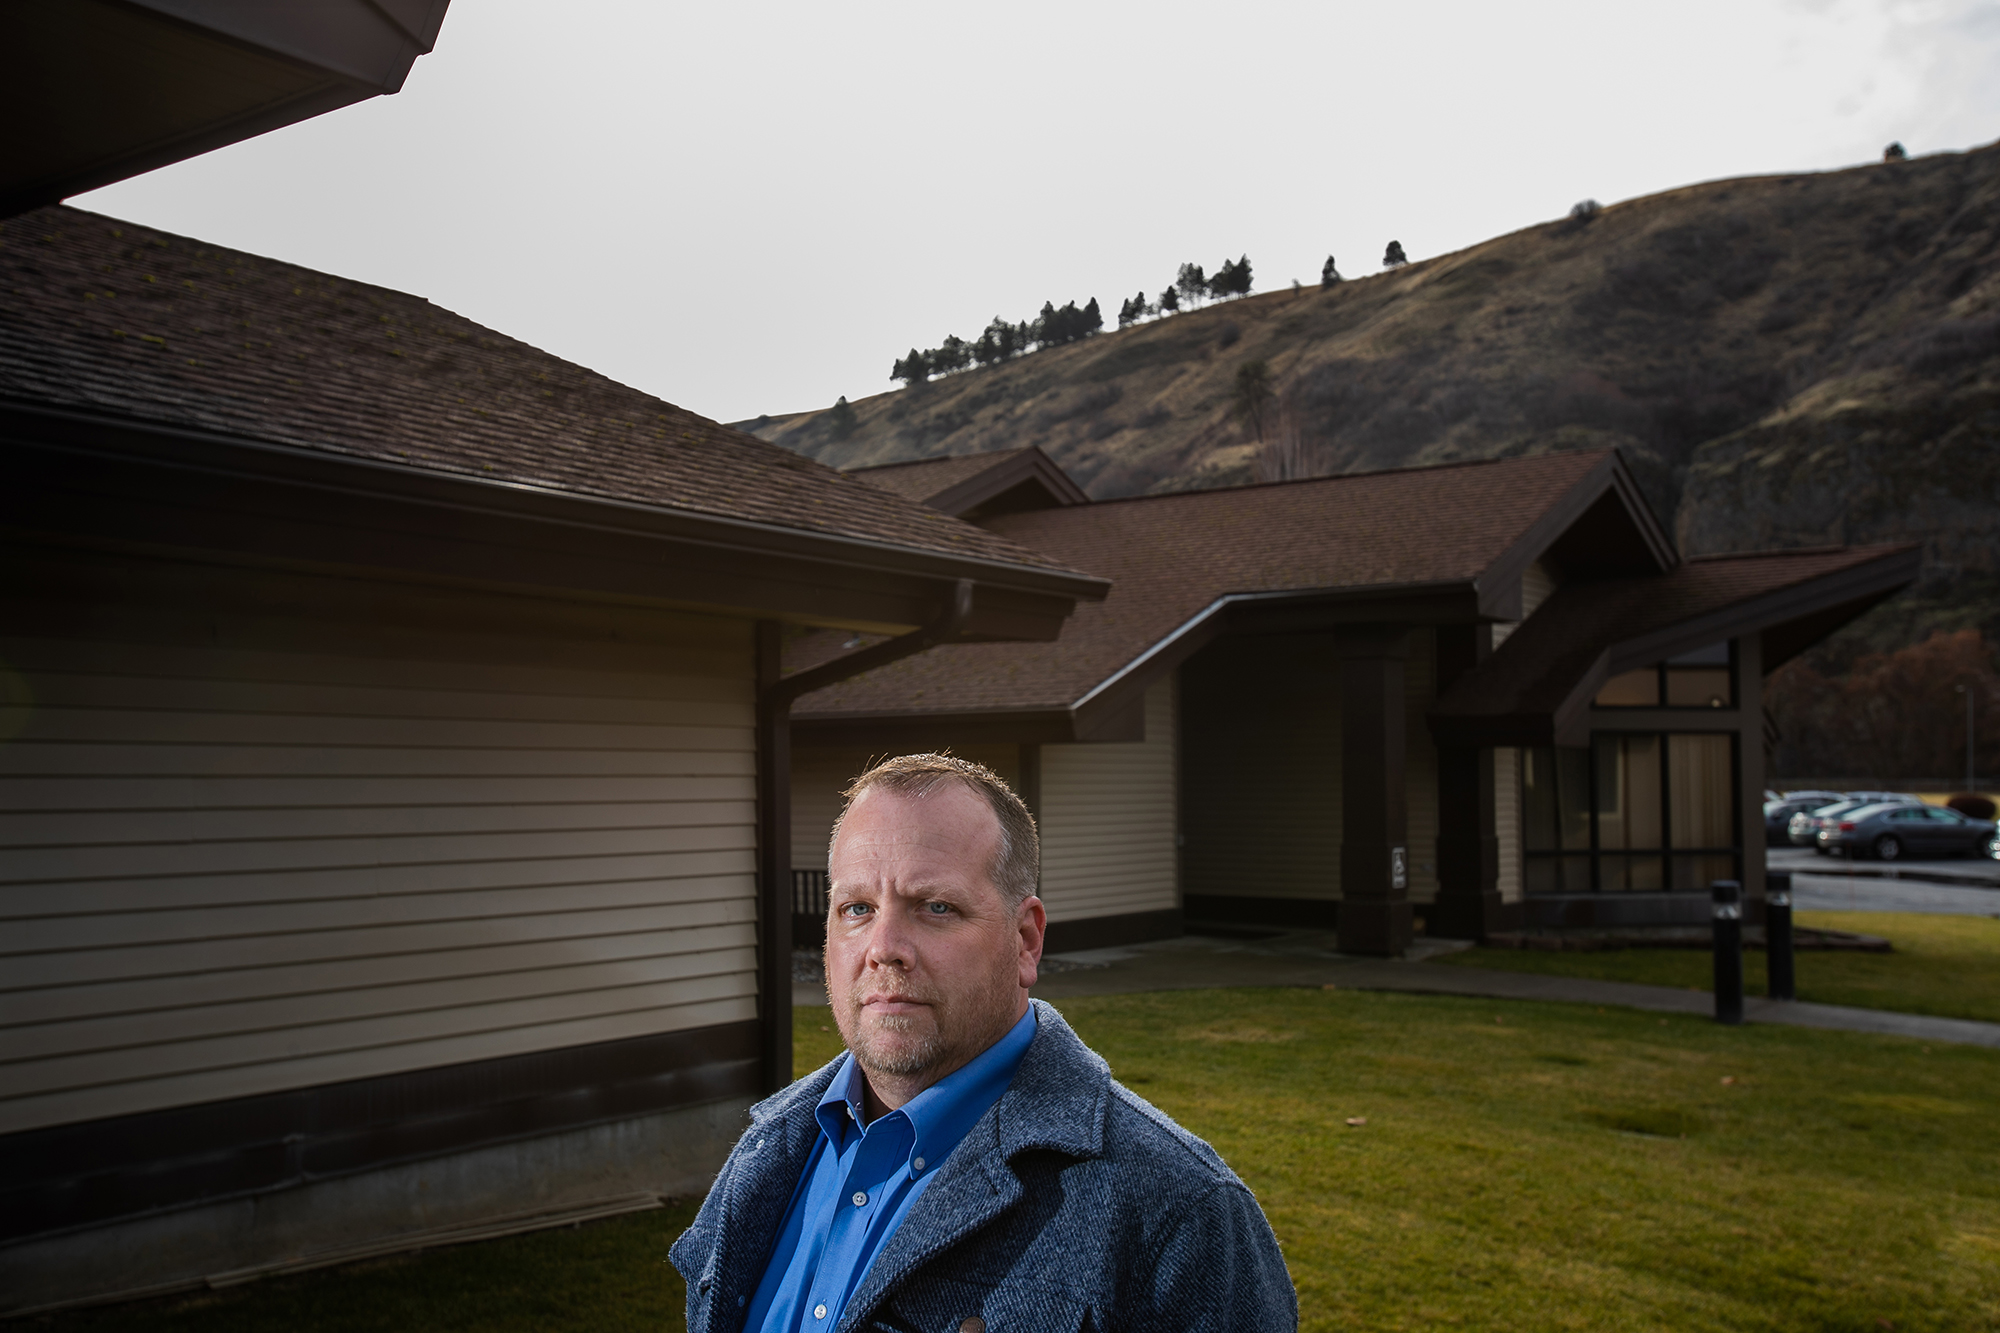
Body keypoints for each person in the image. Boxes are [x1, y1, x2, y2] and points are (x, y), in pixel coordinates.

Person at [671, 753, 1297, 1332]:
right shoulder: (767, 1148)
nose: (883, 947)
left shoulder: (1180, 1213)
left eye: (936, 907)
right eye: (856, 909)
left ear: (1025, 940)